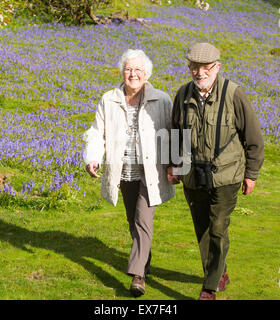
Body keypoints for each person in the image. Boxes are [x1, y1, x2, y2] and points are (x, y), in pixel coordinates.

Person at [167, 43, 264, 300]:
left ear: (217, 67)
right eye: (195, 67)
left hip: (227, 175)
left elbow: (253, 137)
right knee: (203, 229)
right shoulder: (182, 95)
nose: (200, 72)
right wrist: (174, 166)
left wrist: (251, 174)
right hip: (192, 175)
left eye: (206, 67)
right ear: (189, 68)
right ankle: (219, 272)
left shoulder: (234, 95)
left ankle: (209, 288)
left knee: (218, 226)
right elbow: (175, 134)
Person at [83, 49, 175, 297]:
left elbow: (173, 132)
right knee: (132, 221)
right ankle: (144, 257)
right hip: (123, 171)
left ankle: (138, 276)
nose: (133, 74)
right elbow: (96, 131)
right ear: (122, 72)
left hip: (152, 171)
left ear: (146, 73)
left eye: (138, 70)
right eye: (128, 69)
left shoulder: (162, 100)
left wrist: (176, 165)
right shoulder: (108, 99)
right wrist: (93, 157)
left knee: (143, 220)